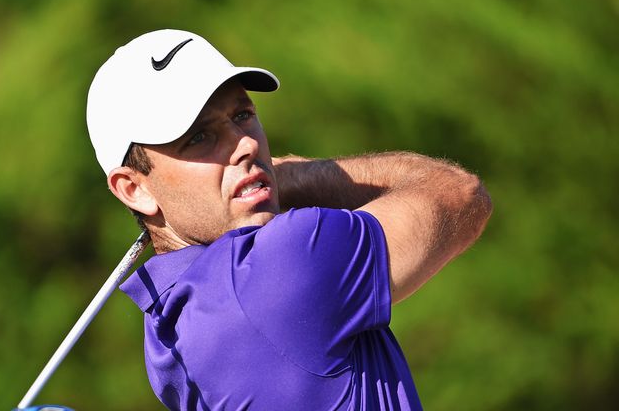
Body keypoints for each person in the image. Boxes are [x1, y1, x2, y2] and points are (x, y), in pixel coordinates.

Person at [86, 29, 492, 410]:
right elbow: (460, 195)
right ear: (133, 189)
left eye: (242, 115)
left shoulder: (165, 333)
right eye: (199, 137)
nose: (245, 144)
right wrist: (298, 174)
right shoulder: (283, 261)